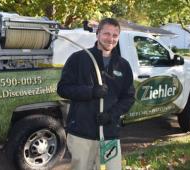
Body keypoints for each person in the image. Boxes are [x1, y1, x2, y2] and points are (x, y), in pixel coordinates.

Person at [57, 18, 135, 170]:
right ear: (97, 34)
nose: (110, 39)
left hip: (109, 132)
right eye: (106, 33)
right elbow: (63, 89)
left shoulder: (123, 65)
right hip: (81, 131)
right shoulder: (79, 59)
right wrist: (90, 92)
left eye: (115, 35)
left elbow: (129, 97)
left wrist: (111, 115)